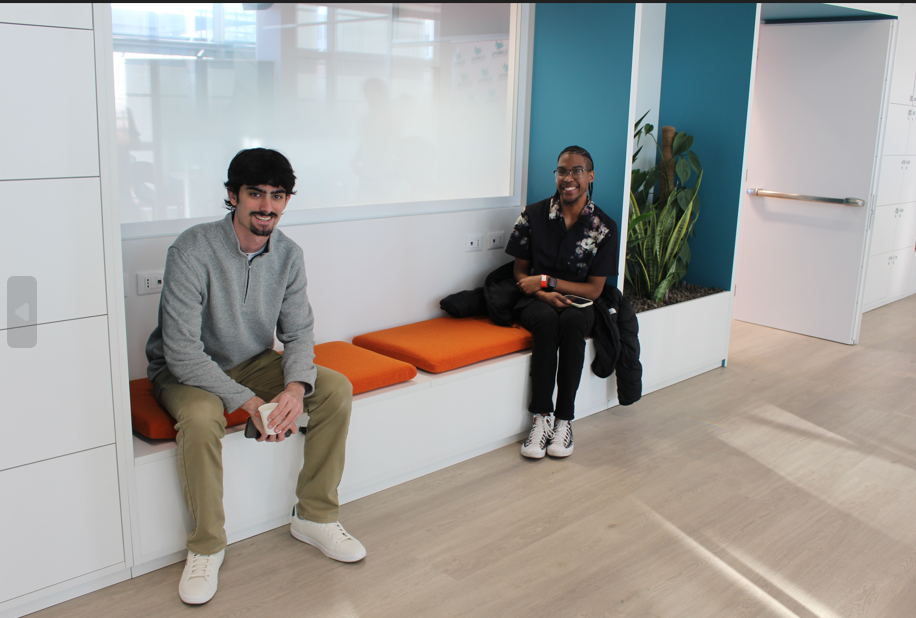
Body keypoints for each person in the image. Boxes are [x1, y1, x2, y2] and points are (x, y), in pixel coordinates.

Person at [145, 148, 365, 605]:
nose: (267, 206)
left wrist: (293, 389)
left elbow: (299, 332)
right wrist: (252, 404)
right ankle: (207, 546)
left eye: (278, 196)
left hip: (251, 360)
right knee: (203, 416)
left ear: (286, 201)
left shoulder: (288, 254)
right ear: (233, 196)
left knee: (334, 389)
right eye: (256, 194)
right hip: (184, 370)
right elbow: (182, 352)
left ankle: (315, 516)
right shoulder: (191, 249)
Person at [505, 145, 618, 459]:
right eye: (562, 171)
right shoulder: (533, 214)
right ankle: (540, 418)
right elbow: (521, 274)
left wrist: (548, 281)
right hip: (535, 299)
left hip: (580, 301)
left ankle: (564, 420)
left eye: (576, 171)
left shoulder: (604, 227)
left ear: (590, 176)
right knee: (545, 320)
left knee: (571, 324)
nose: (568, 178)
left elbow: (594, 291)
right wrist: (542, 291)